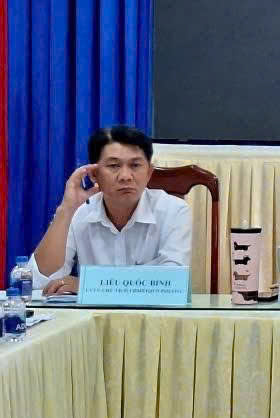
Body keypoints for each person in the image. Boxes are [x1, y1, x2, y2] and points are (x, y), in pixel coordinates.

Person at [34, 125, 192, 294]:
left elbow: (174, 282)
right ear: (94, 174)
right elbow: (40, 281)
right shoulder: (79, 212)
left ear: (149, 173)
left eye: (135, 165)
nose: (125, 176)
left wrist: (88, 285)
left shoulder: (174, 211)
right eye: (114, 165)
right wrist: (66, 210)